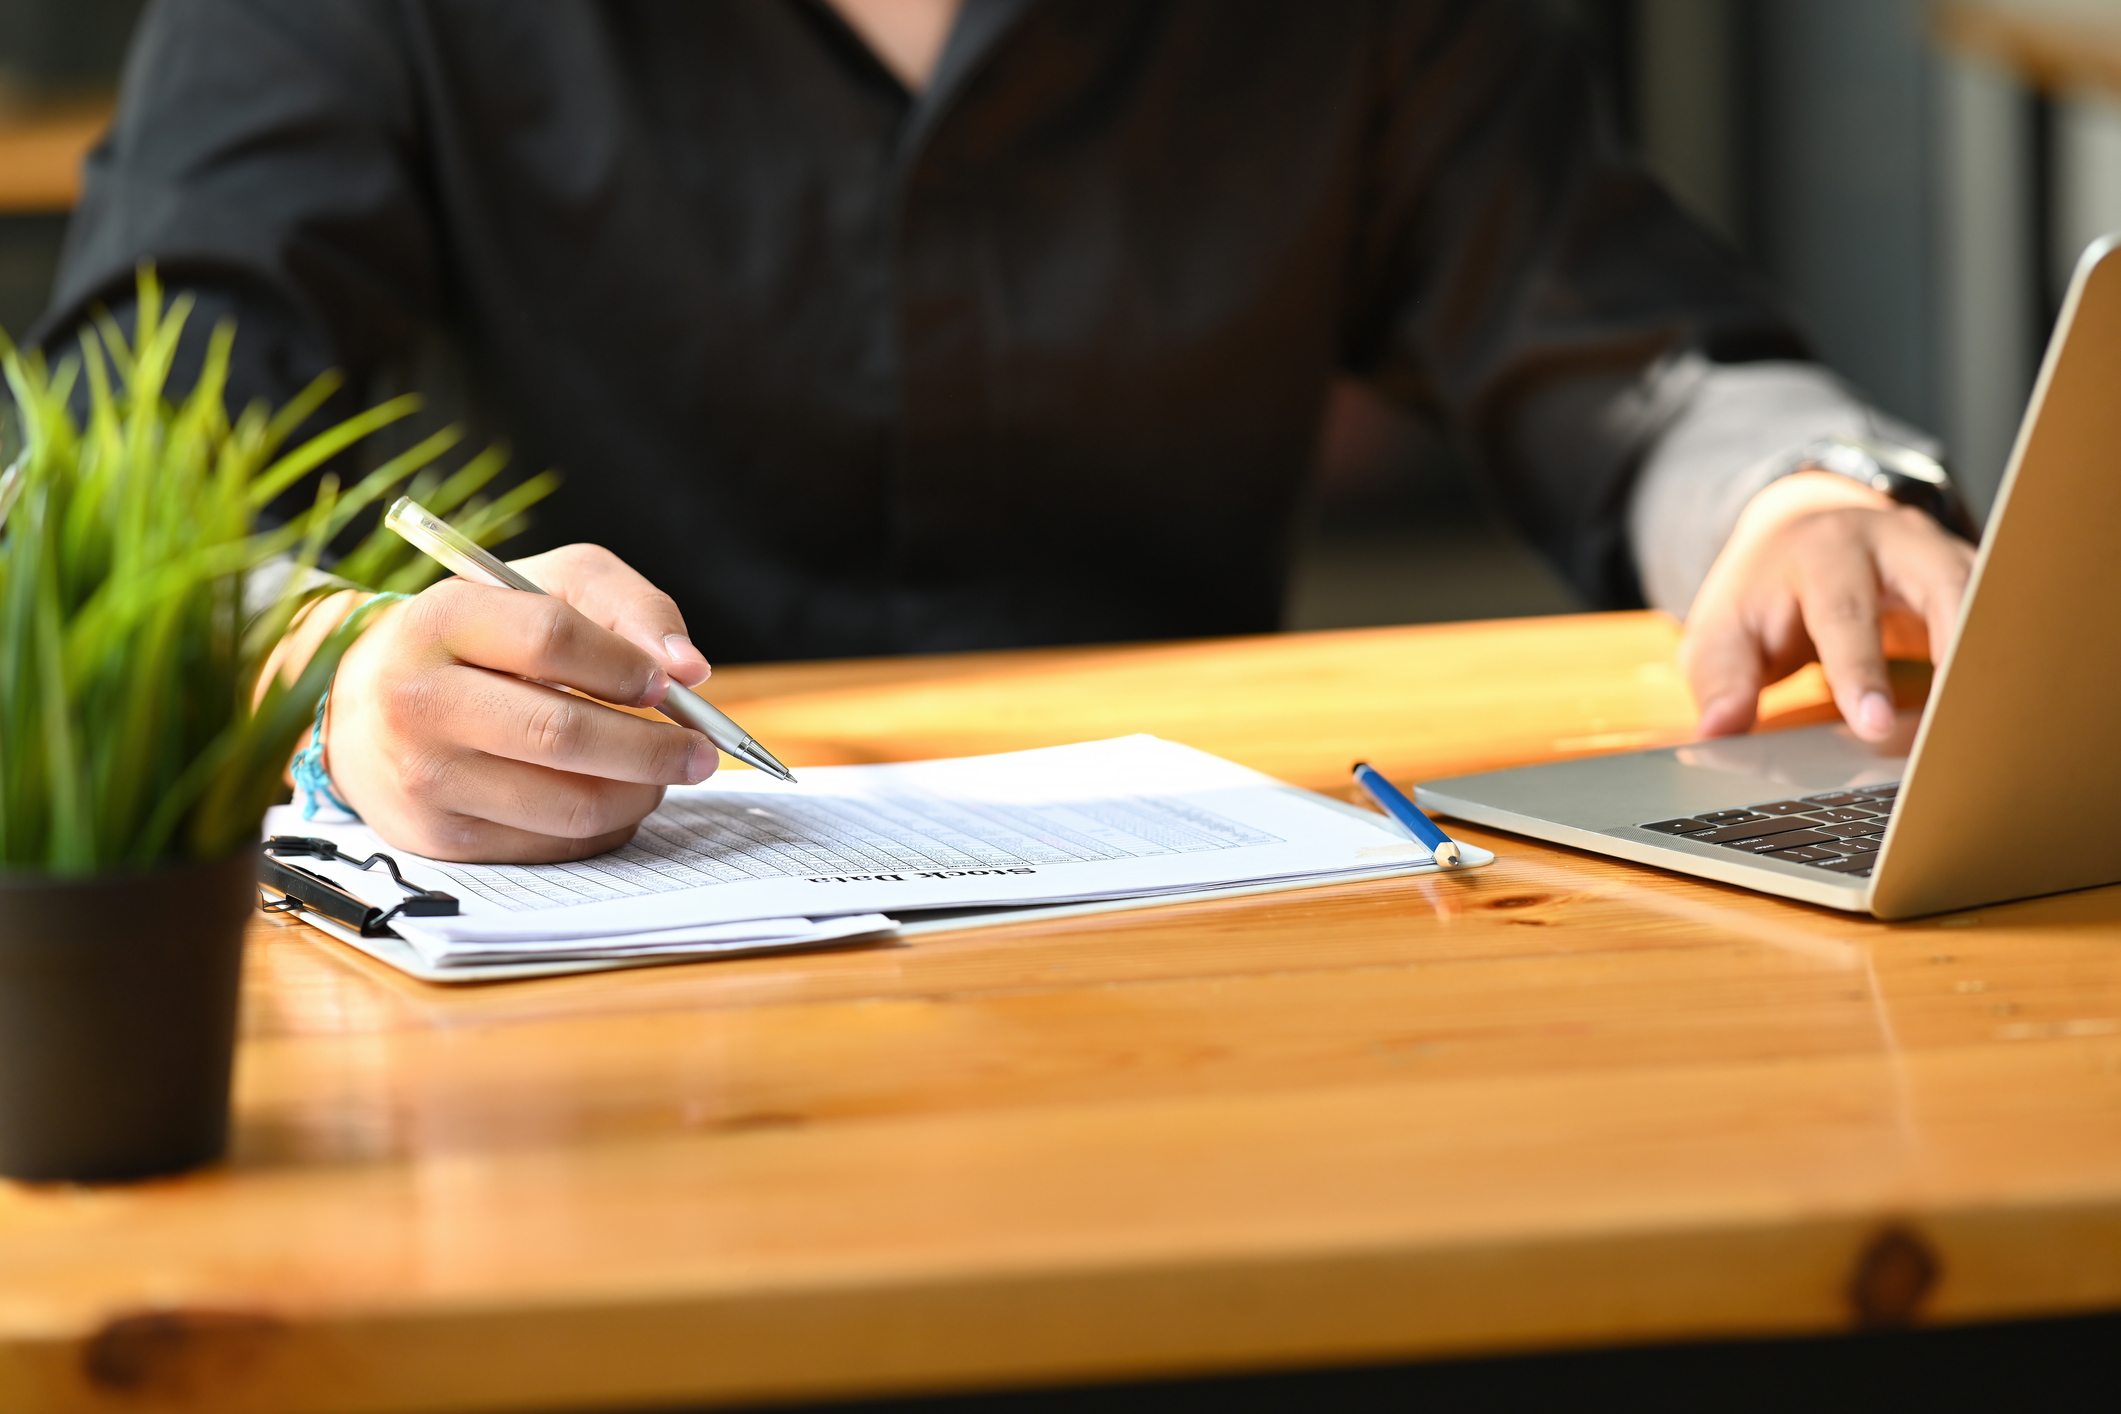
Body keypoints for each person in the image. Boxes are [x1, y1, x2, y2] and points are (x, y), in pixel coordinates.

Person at [34, 0, 1976, 862]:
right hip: (580, 968)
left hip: (1203, 954)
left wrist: (1798, 493)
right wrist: (325, 666)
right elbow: (146, 454)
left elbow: (1623, 351)